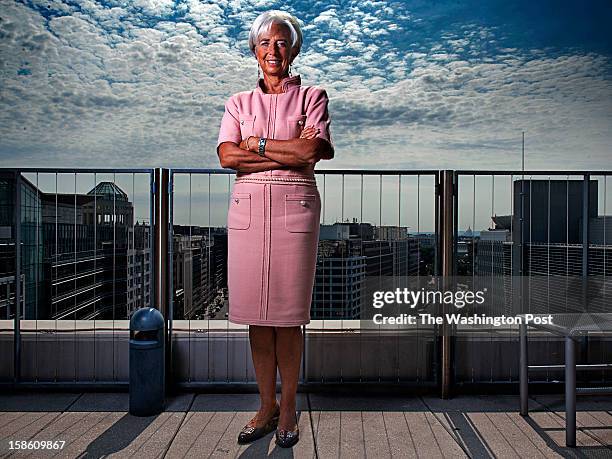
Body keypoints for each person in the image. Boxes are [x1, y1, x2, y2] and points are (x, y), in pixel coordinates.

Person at [216, 10, 334, 448]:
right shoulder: (237, 102)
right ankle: (264, 407)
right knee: (255, 319)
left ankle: (288, 410)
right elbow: (228, 157)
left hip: (294, 213)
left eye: (281, 42)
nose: (273, 50)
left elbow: (310, 150)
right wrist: (286, 154)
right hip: (249, 213)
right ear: (254, 50)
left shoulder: (313, 96)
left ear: (294, 49)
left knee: (287, 319)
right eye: (264, 43)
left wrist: (259, 145)